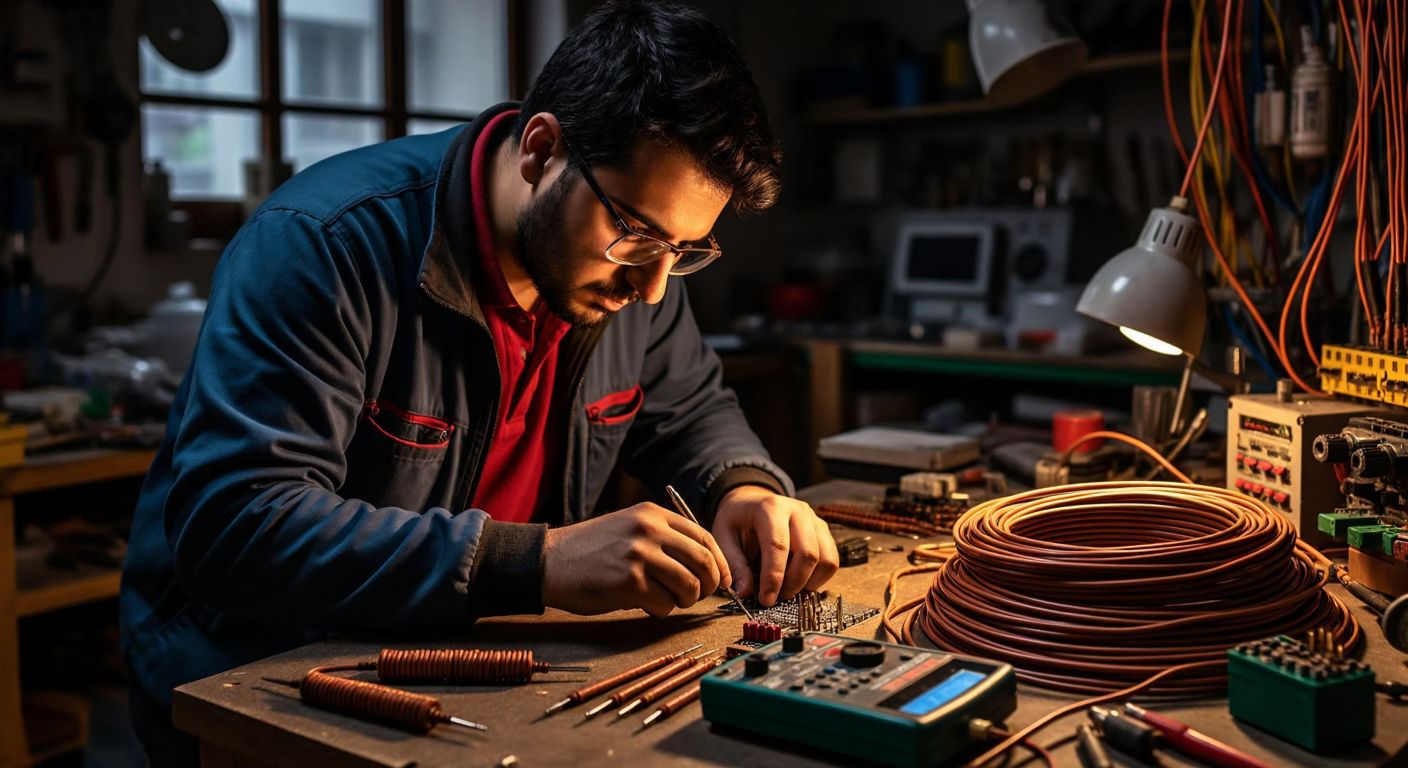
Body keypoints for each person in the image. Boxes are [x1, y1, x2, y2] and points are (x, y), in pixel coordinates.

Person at [120, 1, 838, 763]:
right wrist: (541, 561)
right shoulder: (322, 247)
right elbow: (237, 525)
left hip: (474, 664)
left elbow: (692, 412)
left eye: (688, 250)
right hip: (264, 679)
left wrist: (746, 489)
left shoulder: (628, 272)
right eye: (636, 234)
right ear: (541, 149)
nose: (657, 286)